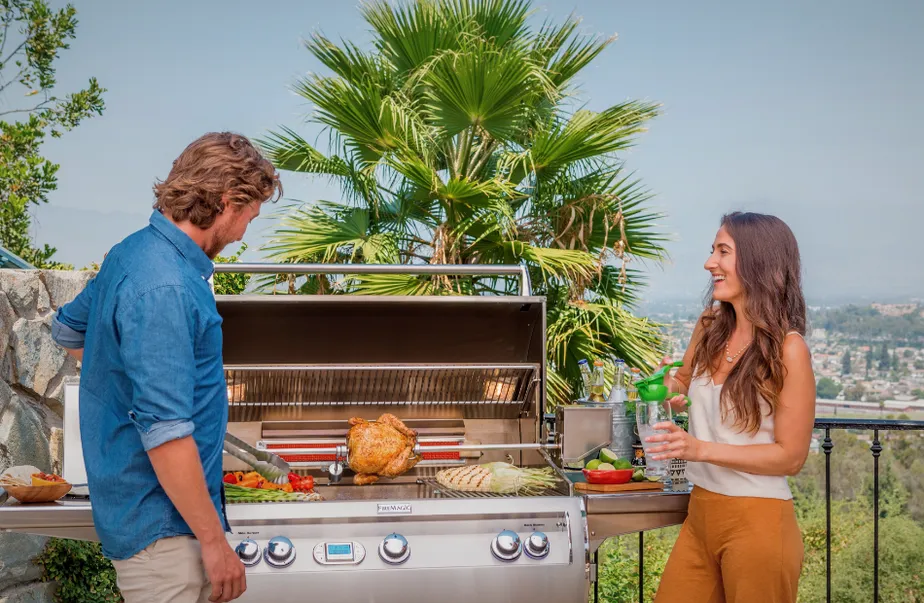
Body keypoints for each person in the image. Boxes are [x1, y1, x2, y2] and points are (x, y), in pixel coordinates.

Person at [50, 132, 282, 603]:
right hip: (166, 534)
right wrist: (215, 542)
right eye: (246, 217)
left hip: (155, 521)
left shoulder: (131, 254)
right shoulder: (167, 286)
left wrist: (123, 386)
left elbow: (69, 331)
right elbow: (166, 432)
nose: (242, 234)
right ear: (224, 200)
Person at [648, 212, 815, 603]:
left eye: (723, 251)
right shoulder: (711, 325)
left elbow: (790, 457)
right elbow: (683, 383)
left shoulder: (789, 349)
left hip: (758, 520)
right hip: (701, 512)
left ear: (760, 262)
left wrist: (698, 449)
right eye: (712, 251)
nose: (710, 263)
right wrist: (664, 385)